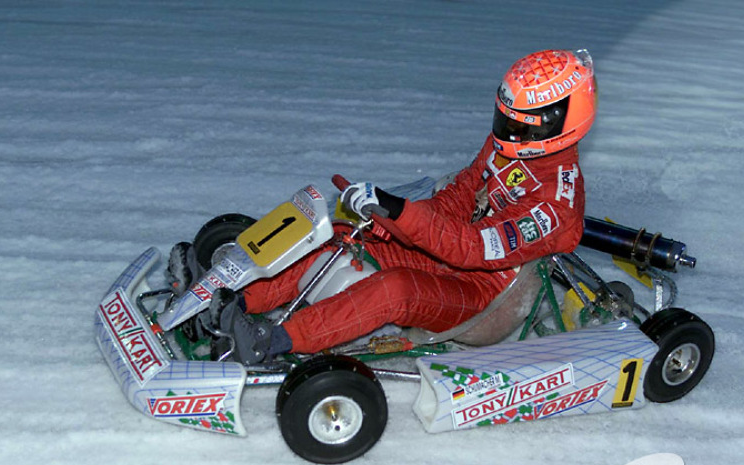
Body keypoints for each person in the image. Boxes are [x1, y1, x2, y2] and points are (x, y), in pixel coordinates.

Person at [206, 48, 598, 362]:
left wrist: (403, 214)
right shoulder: (512, 147)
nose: (508, 133)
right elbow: (460, 196)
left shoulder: (555, 206)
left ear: (559, 123)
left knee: (396, 290)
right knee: (347, 237)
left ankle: (272, 342)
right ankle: (237, 300)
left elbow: (473, 248)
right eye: (505, 120)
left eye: (522, 126)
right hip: (447, 258)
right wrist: (391, 223)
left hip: (484, 297)